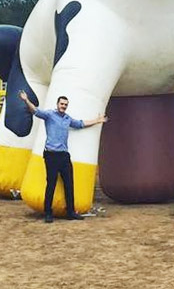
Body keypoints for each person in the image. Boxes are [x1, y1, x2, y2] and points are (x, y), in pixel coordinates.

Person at [18, 91, 107, 223]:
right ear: (57, 104)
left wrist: (97, 120)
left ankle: (70, 212)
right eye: (62, 104)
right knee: (51, 184)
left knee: (69, 183)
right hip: (51, 154)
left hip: (64, 155)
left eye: (65, 104)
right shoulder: (49, 115)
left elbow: (80, 124)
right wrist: (26, 100)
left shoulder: (67, 119)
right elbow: (36, 111)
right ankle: (48, 213)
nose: (63, 106)